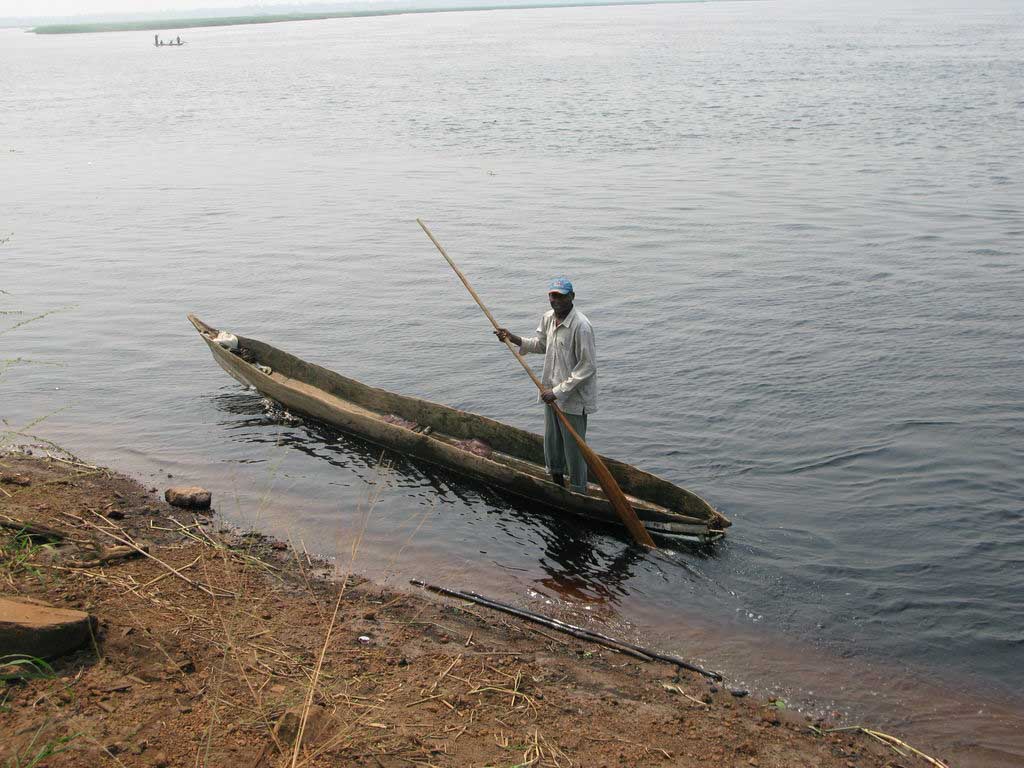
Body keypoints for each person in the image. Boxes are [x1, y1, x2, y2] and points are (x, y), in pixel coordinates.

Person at [494, 277, 597, 493]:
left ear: (572, 297)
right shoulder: (549, 318)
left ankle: (579, 490)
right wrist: (513, 338)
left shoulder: (581, 326)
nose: (556, 300)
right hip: (550, 393)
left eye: (561, 296)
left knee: (574, 450)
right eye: (553, 296)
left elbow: (586, 368)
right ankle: (557, 484)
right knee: (552, 444)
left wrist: (557, 392)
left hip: (572, 399)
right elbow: (542, 344)